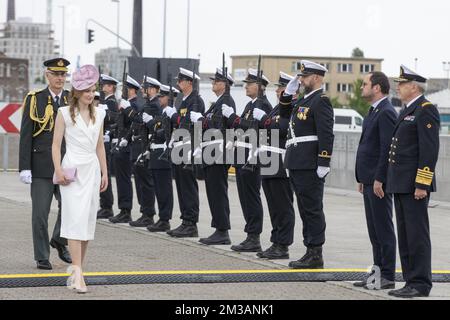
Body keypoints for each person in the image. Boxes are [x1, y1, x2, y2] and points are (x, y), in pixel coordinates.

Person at [52, 64, 108, 294]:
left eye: (92, 89)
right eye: (85, 89)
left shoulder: (101, 113)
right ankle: (77, 273)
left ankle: (78, 270)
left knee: (86, 224)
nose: (90, 93)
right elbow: (56, 146)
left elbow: (100, 146)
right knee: (75, 221)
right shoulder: (64, 113)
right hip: (72, 172)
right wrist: (59, 170)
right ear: (76, 91)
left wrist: (105, 172)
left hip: (92, 171)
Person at [386, 65, 440, 298]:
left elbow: (429, 150)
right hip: (400, 182)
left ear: (414, 86)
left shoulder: (425, 110)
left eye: (401, 83)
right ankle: (410, 281)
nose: (397, 87)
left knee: (417, 235)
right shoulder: (407, 110)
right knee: (406, 235)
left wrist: (422, 184)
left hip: (414, 185)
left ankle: (420, 283)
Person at [280, 60, 334, 269]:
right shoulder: (304, 100)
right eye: (300, 77)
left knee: (312, 209)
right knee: (304, 208)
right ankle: (309, 249)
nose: (301, 80)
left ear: (317, 78)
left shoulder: (321, 101)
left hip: (310, 163)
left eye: (305, 76)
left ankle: (315, 252)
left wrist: (324, 161)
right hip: (297, 161)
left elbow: (326, 133)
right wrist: (288, 93)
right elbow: (284, 114)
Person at [19, 57, 72, 270]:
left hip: (67, 163)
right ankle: (42, 255)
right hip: (41, 165)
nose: (60, 78)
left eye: (63, 74)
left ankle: (60, 239)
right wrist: (25, 166)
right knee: (40, 213)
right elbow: (26, 135)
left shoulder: (71, 100)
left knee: (69, 207)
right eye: (56, 74)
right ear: (47, 75)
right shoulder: (35, 99)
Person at [353, 71, 397, 290]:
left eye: (365, 84)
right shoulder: (373, 111)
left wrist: (380, 178)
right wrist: (363, 178)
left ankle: (388, 274)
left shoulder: (386, 112)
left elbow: (386, 149)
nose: (362, 87)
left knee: (383, 228)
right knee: (374, 230)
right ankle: (377, 272)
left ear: (377, 87)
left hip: (378, 181)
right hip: (369, 179)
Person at [221, 68, 273, 252]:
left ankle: (254, 237)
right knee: (244, 198)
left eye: (250, 84)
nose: (246, 87)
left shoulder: (263, 106)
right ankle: (249, 234)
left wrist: (233, 118)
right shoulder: (250, 105)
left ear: (260, 86)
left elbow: (256, 130)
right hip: (242, 157)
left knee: (251, 198)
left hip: (253, 158)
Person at [251, 71, 296, 259]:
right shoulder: (276, 109)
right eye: (278, 88)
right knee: (273, 205)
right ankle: (276, 241)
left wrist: (263, 119)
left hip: (281, 161)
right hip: (269, 160)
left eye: (281, 87)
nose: (277, 90)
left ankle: (283, 245)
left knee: (283, 205)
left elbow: (284, 129)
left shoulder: (292, 108)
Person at [189, 67, 236, 245]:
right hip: (211, 152)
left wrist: (200, 119)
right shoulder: (217, 102)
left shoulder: (227, 101)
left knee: (218, 192)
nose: (213, 84)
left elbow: (218, 125)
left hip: (219, 153)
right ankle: (219, 229)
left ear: (225, 84)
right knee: (213, 193)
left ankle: (223, 231)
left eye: (216, 81)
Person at [163, 67, 205, 238]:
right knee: (181, 186)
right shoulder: (184, 100)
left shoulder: (196, 101)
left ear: (189, 82)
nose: (178, 83)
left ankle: (191, 223)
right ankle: (185, 221)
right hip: (180, 148)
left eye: (180, 80)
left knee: (188, 187)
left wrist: (173, 116)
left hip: (189, 149)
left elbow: (189, 124)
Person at [144, 84, 178, 232]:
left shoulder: (172, 114)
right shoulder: (163, 114)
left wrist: (151, 124)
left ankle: (165, 219)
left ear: (169, 98)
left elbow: (162, 133)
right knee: (158, 189)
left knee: (164, 190)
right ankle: (161, 218)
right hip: (157, 155)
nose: (160, 99)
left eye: (162, 97)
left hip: (164, 156)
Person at [109, 76, 142, 224]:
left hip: (127, 146)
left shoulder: (134, 105)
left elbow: (135, 122)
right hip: (120, 145)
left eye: (125, 88)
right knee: (121, 179)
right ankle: (122, 209)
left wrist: (126, 108)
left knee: (125, 179)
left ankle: (126, 210)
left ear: (132, 90)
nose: (123, 91)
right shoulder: (125, 103)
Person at [97, 74, 120, 220]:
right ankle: (104, 204)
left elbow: (113, 120)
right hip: (101, 140)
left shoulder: (111, 102)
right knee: (100, 173)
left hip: (106, 141)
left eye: (105, 84)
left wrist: (103, 111)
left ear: (111, 87)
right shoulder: (105, 101)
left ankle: (107, 206)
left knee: (104, 173)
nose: (103, 86)